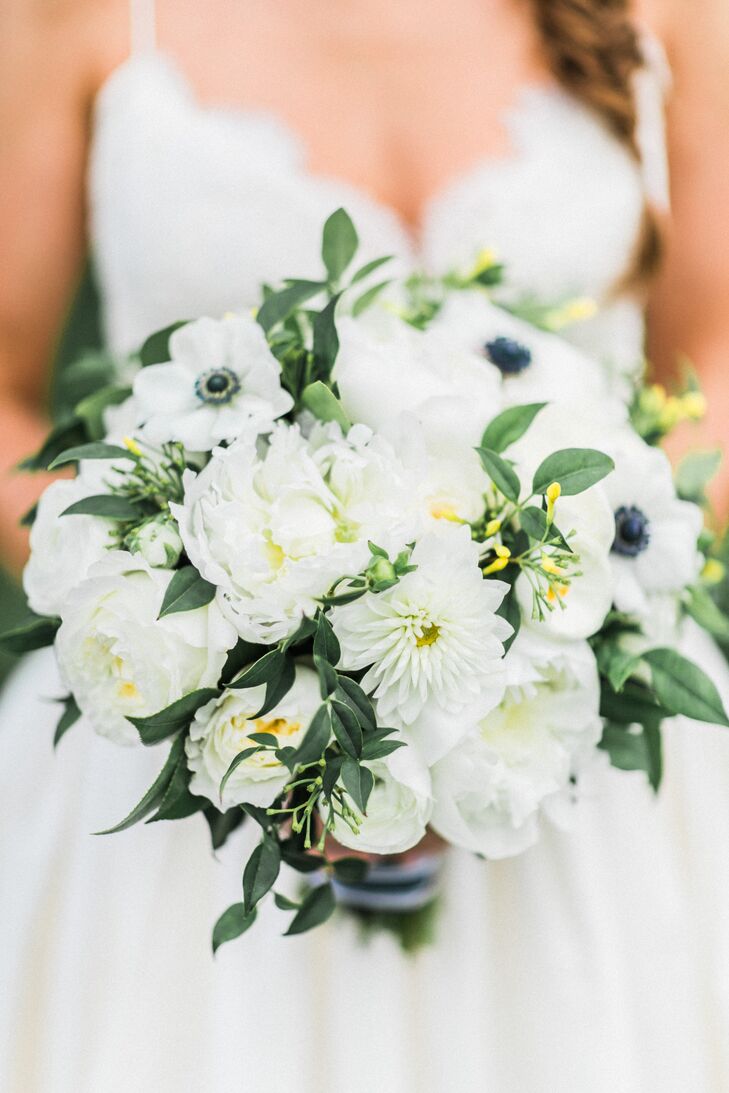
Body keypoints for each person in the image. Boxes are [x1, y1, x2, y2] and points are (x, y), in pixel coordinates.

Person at [1, 1, 729, 1090]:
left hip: (583, 772)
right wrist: (211, 638)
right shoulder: (81, 15)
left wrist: (542, 643)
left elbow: (709, 356)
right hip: (192, 787)